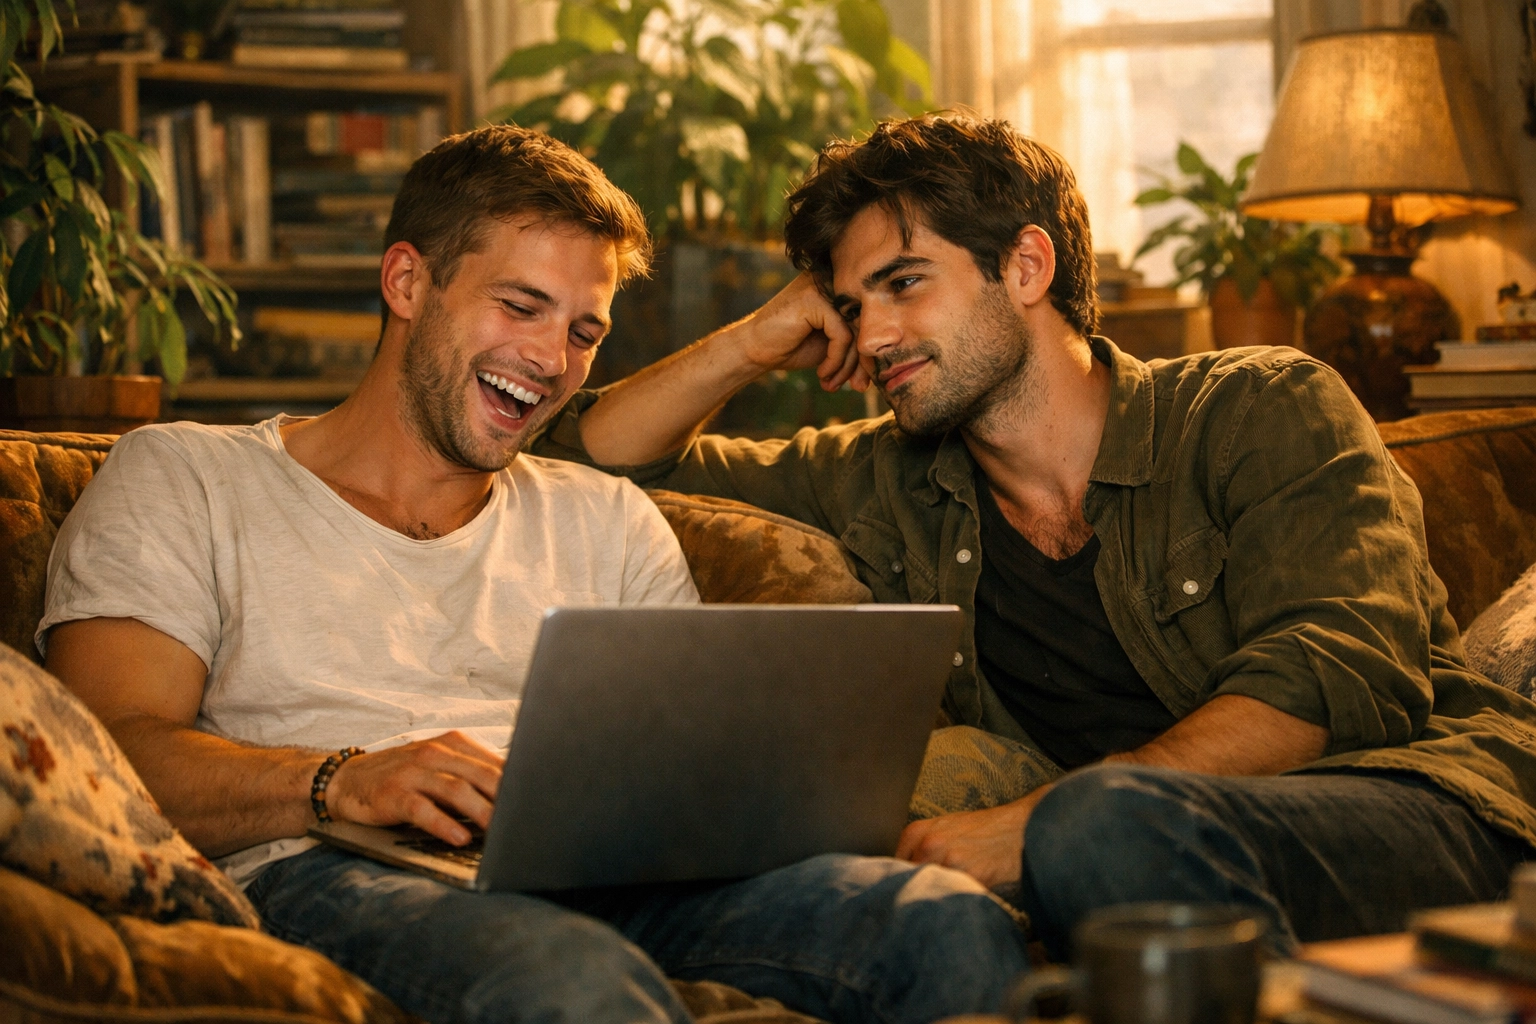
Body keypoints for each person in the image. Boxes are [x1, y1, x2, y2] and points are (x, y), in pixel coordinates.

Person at [38, 125, 1030, 1024]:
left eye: (584, 330)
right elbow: (111, 757)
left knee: (942, 920)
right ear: (407, 283)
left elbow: (690, 771)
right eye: (521, 306)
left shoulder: (605, 517)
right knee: (569, 982)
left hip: (615, 876)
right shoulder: (184, 477)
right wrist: (340, 780)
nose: (553, 359)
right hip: (331, 871)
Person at [532, 113, 1536, 956]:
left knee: (1100, 826)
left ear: (1026, 263)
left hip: (1420, 804)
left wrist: (1038, 824)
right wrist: (759, 337)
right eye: (850, 303)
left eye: (904, 282)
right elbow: (592, 455)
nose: (872, 335)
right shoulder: (884, 474)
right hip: (1130, 857)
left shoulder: (1258, 405)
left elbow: (1329, 672)